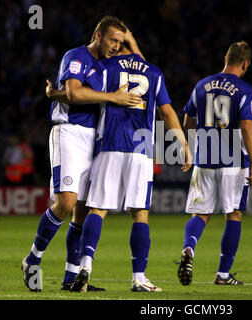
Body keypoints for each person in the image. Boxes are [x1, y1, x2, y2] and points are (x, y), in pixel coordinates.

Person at [21, 16, 143, 292]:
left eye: (120, 43)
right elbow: (75, 93)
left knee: (84, 212)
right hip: (69, 133)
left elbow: (142, 68)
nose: (116, 47)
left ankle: (71, 278)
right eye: (113, 40)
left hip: (95, 139)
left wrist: (131, 41)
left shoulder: (110, 64)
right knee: (65, 203)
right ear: (98, 36)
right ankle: (32, 259)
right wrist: (113, 97)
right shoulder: (76, 56)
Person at [70, 45, 192, 293]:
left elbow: (80, 91)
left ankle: (85, 265)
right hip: (141, 147)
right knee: (140, 214)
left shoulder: (106, 66)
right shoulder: (154, 72)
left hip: (110, 144)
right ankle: (138, 278)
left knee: (98, 209)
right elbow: (166, 111)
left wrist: (57, 94)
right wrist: (183, 144)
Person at [177, 41, 252, 286]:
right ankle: (223, 274)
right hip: (233, 158)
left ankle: (189, 249)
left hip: (205, 157)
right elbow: (246, 125)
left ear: (226, 58)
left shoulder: (201, 85)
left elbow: (188, 120)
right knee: (233, 214)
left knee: (200, 213)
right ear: (245, 64)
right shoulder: (245, 89)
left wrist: (189, 148)